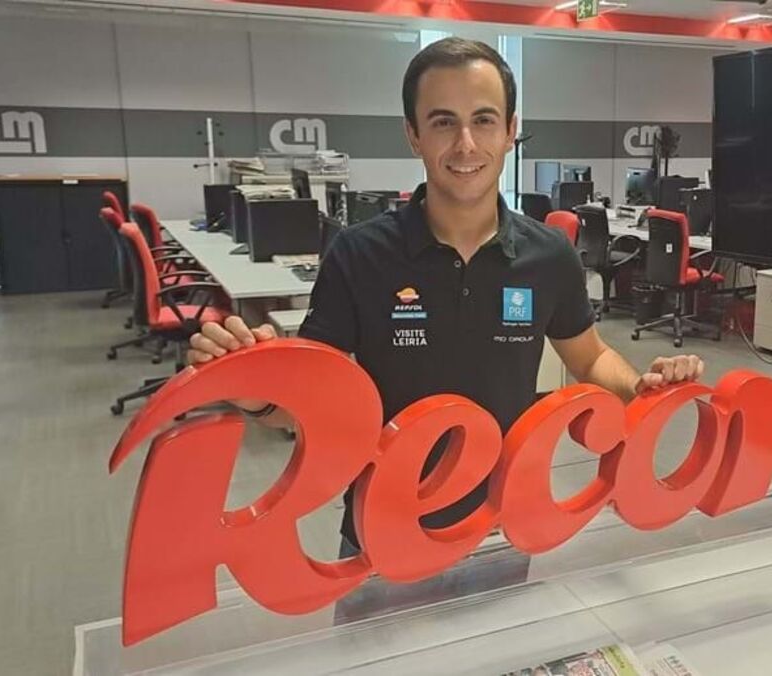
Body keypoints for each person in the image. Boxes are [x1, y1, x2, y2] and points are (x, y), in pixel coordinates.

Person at [187, 38, 705, 555]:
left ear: (510, 130)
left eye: (483, 120)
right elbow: (313, 399)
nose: (465, 144)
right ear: (413, 135)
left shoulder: (549, 254)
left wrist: (639, 386)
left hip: (501, 525)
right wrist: (257, 393)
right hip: (379, 529)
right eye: (442, 122)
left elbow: (589, 357)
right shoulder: (359, 254)